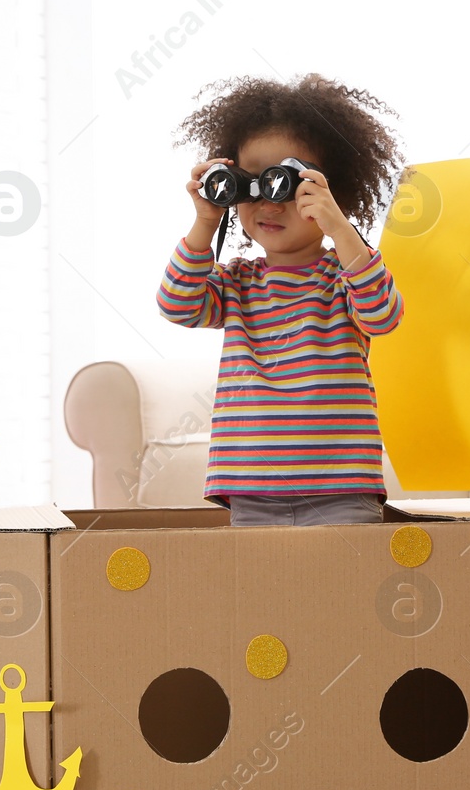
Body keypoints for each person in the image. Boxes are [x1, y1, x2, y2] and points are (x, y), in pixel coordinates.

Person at [156, 73, 406, 527]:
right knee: (262, 596)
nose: (268, 203)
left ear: (334, 193)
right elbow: (177, 303)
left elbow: (383, 314)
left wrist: (341, 230)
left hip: (340, 487)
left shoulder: (344, 274)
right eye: (248, 184)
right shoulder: (236, 282)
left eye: (286, 186)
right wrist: (205, 221)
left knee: (343, 593)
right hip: (251, 487)